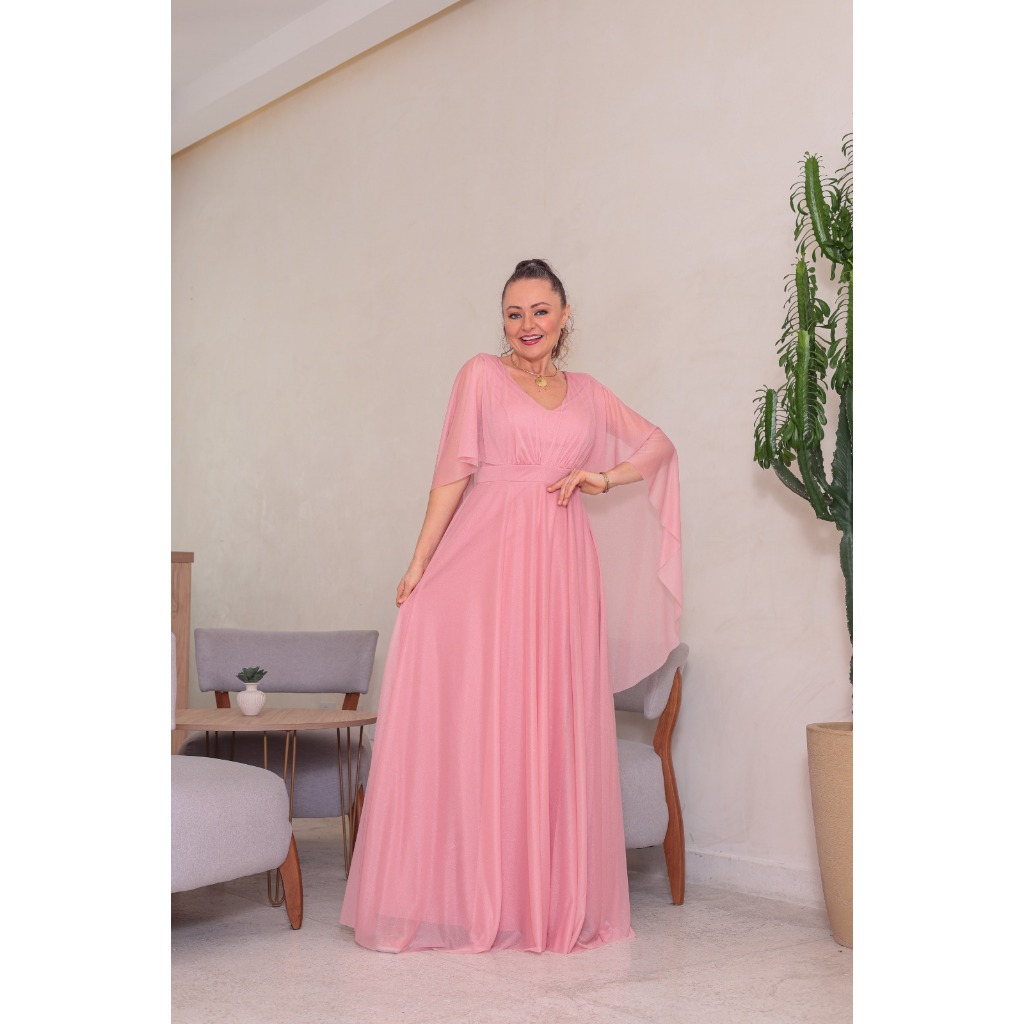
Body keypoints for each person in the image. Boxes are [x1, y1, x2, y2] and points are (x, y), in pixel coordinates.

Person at [340, 258, 681, 953]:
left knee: (548, 713)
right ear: (502, 321)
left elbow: (658, 446)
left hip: (563, 567)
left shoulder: (589, 393)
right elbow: (451, 475)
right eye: (514, 313)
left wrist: (602, 477)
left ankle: (541, 899)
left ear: (564, 316)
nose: (528, 325)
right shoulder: (480, 376)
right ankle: (473, 895)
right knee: (489, 711)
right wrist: (419, 563)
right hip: (487, 560)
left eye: (540, 311)